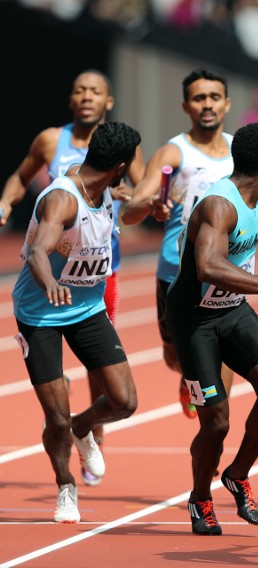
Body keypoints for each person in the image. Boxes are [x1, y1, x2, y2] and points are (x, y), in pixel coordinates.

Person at [0, 69, 144, 487]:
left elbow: (130, 201)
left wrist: (147, 204)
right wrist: (50, 283)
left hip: (87, 306)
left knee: (125, 401)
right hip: (42, 311)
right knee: (56, 417)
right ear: (119, 167)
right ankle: (65, 485)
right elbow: (39, 252)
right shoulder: (62, 198)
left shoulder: (109, 192)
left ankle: (84, 428)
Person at [165, 122, 258, 536]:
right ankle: (200, 496)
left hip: (232, 311)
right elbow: (208, 266)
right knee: (216, 422)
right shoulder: (222, 205)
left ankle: (238, 473)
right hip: (195, 320)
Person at [122, 68, 235, 421]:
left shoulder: (238, 151)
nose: (207, 104)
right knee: (176, 357)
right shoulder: (174, 152)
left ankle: (216, 422)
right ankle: (188, 378)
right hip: (176, 273)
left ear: (227, 104)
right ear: (186, 105)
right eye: (199, 98)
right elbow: (130, 210)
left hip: (225, 271)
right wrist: (149, 203)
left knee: (224, 353)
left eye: (214, 97)